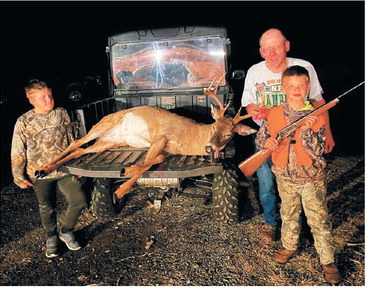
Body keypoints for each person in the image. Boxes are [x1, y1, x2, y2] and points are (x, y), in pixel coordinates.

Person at [241, 28, 335, 243]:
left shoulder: (303, 67)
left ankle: (303, 226)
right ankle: (271, 222)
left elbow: (319, 103)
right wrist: (256, 110)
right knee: (266, 184)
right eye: (267, 49)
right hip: (268, 138)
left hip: (302, 138)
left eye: (277, 47)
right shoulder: (254, 72)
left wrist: (327, 133)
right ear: (261, 51)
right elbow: (248, 102)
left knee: (304, 183)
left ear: (287, 46)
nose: (272, 53)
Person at [255, 65, 340, 284]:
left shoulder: (317, 115)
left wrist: (307, 132)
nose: (296, 89)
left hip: (311, 178)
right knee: (288, 214)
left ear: (308, 86)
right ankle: (288, 246)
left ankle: (328, 261)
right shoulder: (273, 114)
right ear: (283, 88)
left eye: (301, 85)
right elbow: (261, 139)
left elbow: (317, 150)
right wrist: (268, 142)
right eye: (291, 86)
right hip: (284, 176)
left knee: (319, 220)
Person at [11, 79, 87, 258]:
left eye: (50, 95)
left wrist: (79, 165)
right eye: (43, 97)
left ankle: (66, 230)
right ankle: (51, 237)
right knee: (46, 206)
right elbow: (17, 151)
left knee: (79, 199)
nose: (48, 100)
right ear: (32, 100)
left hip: (64, 169)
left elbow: (72, 141)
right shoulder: (24, 121)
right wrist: (18, 177)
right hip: (39, 173)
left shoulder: (61, 113)